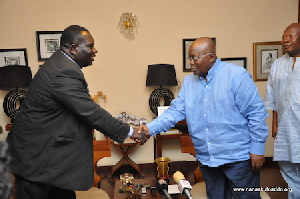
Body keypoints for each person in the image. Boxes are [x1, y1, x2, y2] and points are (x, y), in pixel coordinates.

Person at [6, 25, 149, 199]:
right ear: (73, 48)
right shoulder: (63, 71)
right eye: (90, 46)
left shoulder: (62, 64)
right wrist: (131, 131)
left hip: (49, 159)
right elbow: (90, 112)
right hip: (36, 160)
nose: (95, 50)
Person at [140, 37, 268, 198]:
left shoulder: (237, 76)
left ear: (211, 57)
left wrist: (258, 150)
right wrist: (149, 129)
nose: (191, 62)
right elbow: (174, 112)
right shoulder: (188, 82)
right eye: (189, 58)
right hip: (208, 160)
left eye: (194, 57)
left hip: (238, 159)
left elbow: (256, 113)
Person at [264, 23, 300, 199]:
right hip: (285, 128)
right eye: (284, 36)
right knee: (287, 168)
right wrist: (274, 124)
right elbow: (272, 96)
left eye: (290, 36)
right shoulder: (278, 64)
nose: (285, 40)